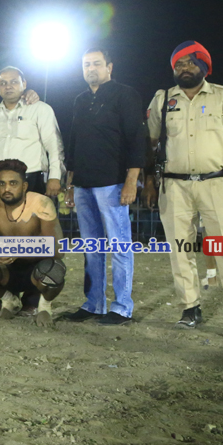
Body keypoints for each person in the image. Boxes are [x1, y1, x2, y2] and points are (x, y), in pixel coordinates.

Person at [144, 40, 223, 336]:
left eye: (191, 62)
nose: (184, 68)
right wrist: (149, 181)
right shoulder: (162, 98)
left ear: (204, 67)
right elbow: (150, 143)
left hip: (217, 184)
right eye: (179, 64)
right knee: (180, 250)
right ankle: (189, 308)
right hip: (173, 186)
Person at [61, 48, 146, 325]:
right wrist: (70, 184)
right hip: (83, 183)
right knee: (91, 247)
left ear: (109, 67)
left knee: (119, 246)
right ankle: (94, 303)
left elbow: (136, 139)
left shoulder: (125, 95)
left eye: (96, 64)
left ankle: (122, 307)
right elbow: (73, 142)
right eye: (86, 64)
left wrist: (131, 181)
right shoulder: (80, 100)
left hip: (112, 183)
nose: (91, 69)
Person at [0, 159, 66, 328]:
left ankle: (44, 306)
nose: (6, 189)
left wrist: (17, 252)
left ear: (24, 186)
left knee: (55, 271)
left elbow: (58, 249)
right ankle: (9, 300)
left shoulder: (41, 203)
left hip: (36, 269)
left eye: (13, 183)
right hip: (6, 270)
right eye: (2, 184)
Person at [0, 66, 63, 202]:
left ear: (24, 84)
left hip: (31, 180)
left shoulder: (40, 109)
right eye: (3, 83)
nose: (8, 86)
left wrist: (55, 176)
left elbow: (54, 146)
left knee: (33, 217)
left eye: (14, 82)